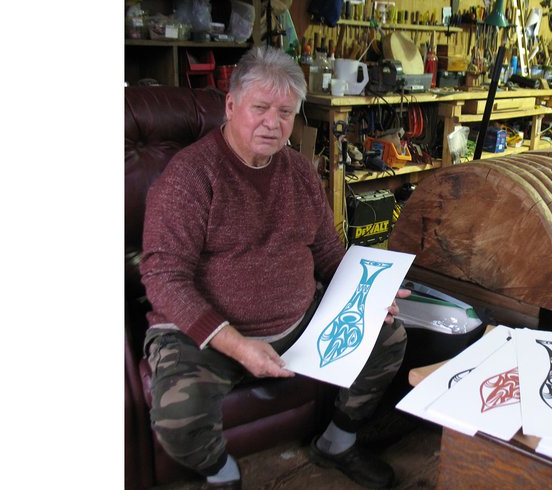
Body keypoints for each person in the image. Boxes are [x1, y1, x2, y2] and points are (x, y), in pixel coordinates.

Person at [140, 45, 409, 490]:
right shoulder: (190, 175)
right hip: (209, 333)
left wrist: (366, 294)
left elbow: (325, 250)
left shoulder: (299, 172)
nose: (273, 122)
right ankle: (220, 472)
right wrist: (238, 345)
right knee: (176, 414)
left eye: (285, 112)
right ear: (230, 105)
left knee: (389, 335)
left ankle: (338, 442)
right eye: (260, 107)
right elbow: (163, 277)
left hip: (298, 321)